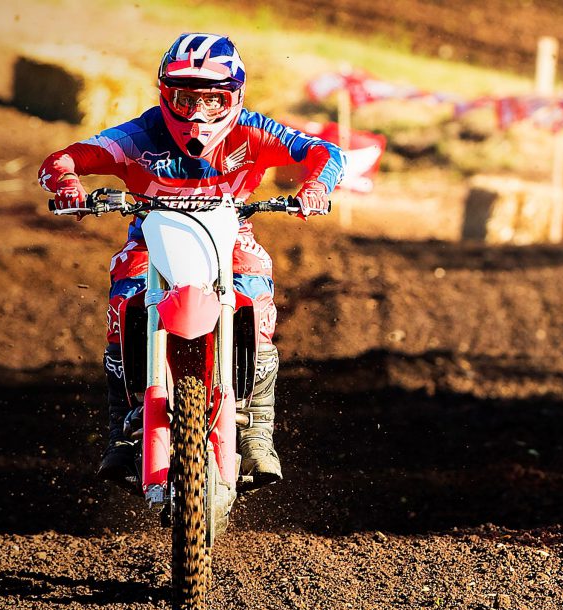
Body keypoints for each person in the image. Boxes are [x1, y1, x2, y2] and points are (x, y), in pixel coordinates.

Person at [38, 33, 343, 492]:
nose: (198, 114)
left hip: (232, 238)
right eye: (184, 98)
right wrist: (67, 184)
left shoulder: (254, 133)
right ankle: (122, 426)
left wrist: (316, 187)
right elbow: (63, 158)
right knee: (125, 297)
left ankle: (258, 427)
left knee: (256, 296)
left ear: (235, 97)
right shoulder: (139, 136)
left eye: (214, 100)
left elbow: (327, 152)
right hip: (150, 242)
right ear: (165, 94)